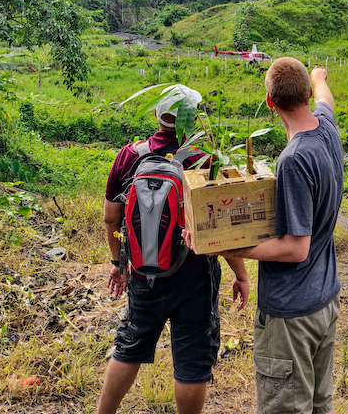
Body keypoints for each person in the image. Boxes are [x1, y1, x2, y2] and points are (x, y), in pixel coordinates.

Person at [97, 84, 249, 414]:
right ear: (195, 119)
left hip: (143, 272)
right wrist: (242, 275)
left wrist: (118, 263)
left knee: (130, 345)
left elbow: (111, 218)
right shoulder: (204, 159)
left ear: (156, 113)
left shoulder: (130, 156)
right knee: (192, 360)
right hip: (194, 276)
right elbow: (222, 233)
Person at [209, 59, 343, 414]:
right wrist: (319, 76)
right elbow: (327, 99)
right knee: (319, 403)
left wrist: (230, 245)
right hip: (324, 301)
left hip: (292, 315)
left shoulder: (295, 159)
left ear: (270, 102)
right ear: (308, 94)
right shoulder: (327, 129)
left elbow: (296, 248)